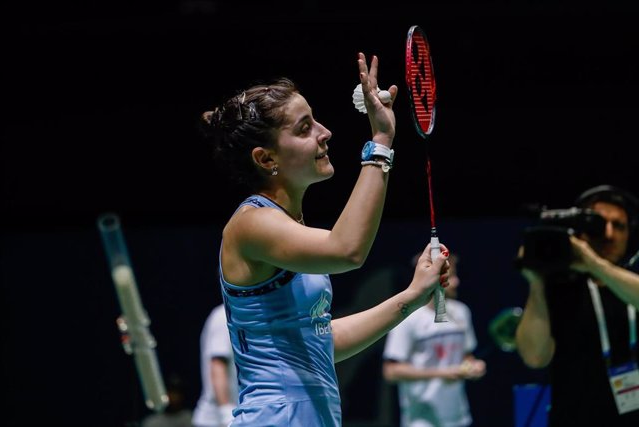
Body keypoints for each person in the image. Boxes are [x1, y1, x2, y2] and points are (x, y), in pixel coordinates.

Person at [198, 53, 451, 426]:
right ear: (266, 158)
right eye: (304, 128)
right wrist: (380, 142)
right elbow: (346, 250)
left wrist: (411, 298)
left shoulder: (288, 227)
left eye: (315, 120)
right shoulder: (251, 226)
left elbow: (320, 342)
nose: (324, 131)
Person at [515, 184, 639, 426]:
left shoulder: (633, 278)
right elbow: (534, 357)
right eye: (599, 224)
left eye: (619, 226)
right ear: (581, 231)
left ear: (630, 234)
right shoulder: (559, 287)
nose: (610, 234)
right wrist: (536, 281)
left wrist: (593, 264)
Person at [382, 252, 486, 427]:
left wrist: (473, 366)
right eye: (451, 277)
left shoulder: (462, 312)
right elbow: (391, 371)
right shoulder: (408, 319)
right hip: (421, 420)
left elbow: (466, 357)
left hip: (458, 417)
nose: (457, 282)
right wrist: (442, 373)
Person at [192, 304, 238, 427]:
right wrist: (226, 412)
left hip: (238, 416)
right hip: (216, 420)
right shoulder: (223, 315)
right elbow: (218, 366)